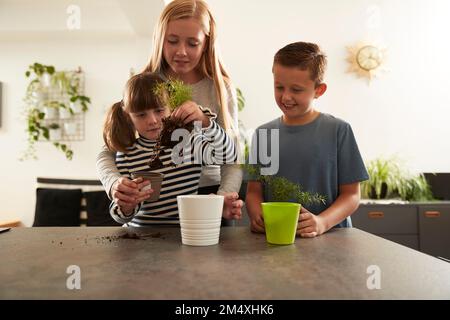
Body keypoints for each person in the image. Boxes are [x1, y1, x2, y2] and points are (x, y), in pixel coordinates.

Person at [96, 0, 243, 220]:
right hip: (150, 202)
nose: (181, 52)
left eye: (193, 43)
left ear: (207, 44)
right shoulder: (143, 84)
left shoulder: (219, 88)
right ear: (159, 39)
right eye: (172, 41)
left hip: (208, 196)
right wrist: (114, 183)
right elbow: (107, 150)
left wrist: (221, 199)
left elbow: (233, 158)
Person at [245, 42, 369, 237]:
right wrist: (257, 216)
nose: (286, 96)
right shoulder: (264, 135)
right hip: (277, 240)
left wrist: (321, 222)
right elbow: (254, 191)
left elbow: (352, 195)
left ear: (319, 90)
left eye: (296, 89)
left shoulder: (338, 131)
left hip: (332, 239)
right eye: (279, 87)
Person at [103, 72, 239, 225]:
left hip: (185, 233)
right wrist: (126, 207)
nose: (152, 120)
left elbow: (229, 153)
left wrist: (206, 122)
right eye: (141, 115)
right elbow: (120, 216)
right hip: (140, 238)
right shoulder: (126, 155)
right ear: (129, 117)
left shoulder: (189, 142)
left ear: (171, 107)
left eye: (159, 110)